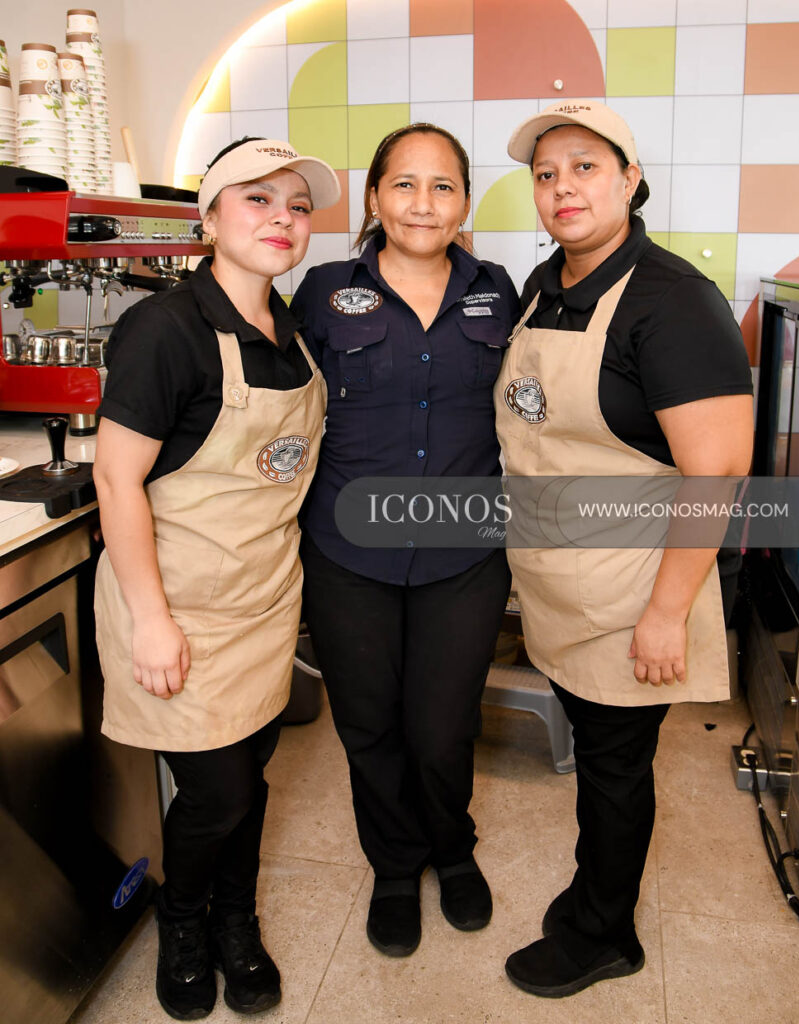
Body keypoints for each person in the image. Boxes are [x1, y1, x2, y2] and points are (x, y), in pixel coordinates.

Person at [495, 101, 754, 998]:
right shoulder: (545, 286)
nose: (561, 187)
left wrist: (664, 615)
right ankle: (590, 898)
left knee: (613, 769)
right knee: (600, 759)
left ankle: (603, 934)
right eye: (544, 173)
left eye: (584, 167)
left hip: (635, 587)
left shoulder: (672, 301)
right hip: (561, 581)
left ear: (630, 180)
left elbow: (716, 473)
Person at [93, 137, 340, 1020]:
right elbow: (115, 479)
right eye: (257, 199)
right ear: (208, 217)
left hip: (263, 603)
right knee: (217, 791)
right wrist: (151, 620)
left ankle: (238, 920)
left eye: (297, 206)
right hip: (181, 606)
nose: (283, 219)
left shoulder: (291, 334)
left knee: (251, 776)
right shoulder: (166, 329)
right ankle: (184, 922)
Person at [290, 124, 518, 957]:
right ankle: (393, 866)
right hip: (347, 550)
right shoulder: (321, 291)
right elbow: (280, 407)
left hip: (464, 551)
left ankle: (452, 851)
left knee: (442, 724)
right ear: (374, 197)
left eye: (442, 186)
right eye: (405, 184)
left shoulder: (499, 291)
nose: (423, 203)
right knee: (368, 722)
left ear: (464, 203)